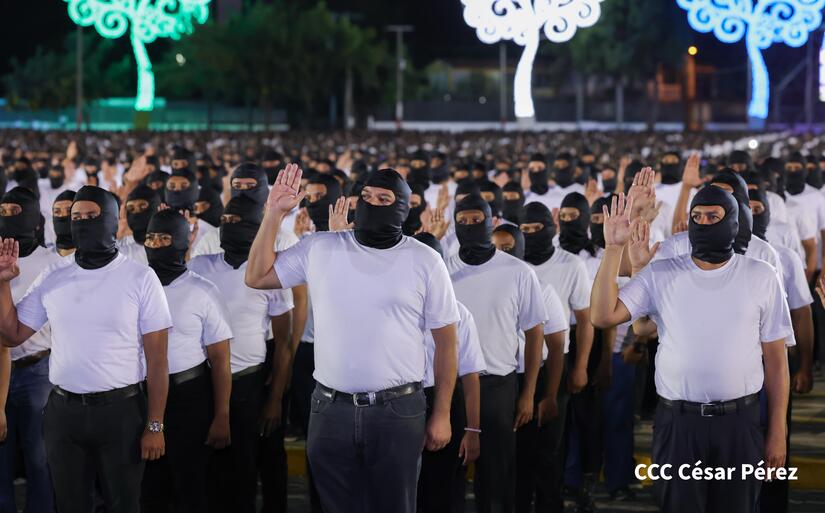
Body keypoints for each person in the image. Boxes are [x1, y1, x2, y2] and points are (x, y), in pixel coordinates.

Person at [244, 165, 459, 513]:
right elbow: (256, 276)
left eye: (384, 199)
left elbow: (447, 344)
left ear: (403, 207)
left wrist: (443, 413)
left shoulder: (425, 260)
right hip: (330, 409)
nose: (371, 204)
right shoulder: (320, 247)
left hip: (397, 411)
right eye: (366, 196)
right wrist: (273, 214)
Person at [591, 188, 792, 513]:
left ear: (733, 221)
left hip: (739, 424)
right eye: (697, 217)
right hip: (678, 424)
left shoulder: (761, 275)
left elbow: (777, 362)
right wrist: (614, 249)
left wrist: (778, 430)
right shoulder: (661, 272)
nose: (704, 223)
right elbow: (602, 316)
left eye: (713, 216)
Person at [0, 185, 171, 513]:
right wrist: (3, 282)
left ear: (112, 220)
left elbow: (158, 360)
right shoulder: (54, 274)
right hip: (64, 413)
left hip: (122, 412)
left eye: (92, 216)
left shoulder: (140, 278)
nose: (82, 223)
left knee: (123, 504)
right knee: (69, 504)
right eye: (76, 217)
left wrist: (155, 425)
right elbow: (12, 334)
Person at [189, 195, 294, 513]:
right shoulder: (200, 266)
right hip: (203, 382)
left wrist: (275, 399)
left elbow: (284, 343)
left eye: (237, 221)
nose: (228, 226)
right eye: (225, 220)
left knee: (244, 468)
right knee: (205, 470)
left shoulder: (271, 273)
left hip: (248, 384)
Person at [446, 193, 548, 513]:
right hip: (450, 387)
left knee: (496, 479)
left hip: (497, 386)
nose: (469, 226)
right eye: (462, 221)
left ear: (491, 222)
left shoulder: (519, 272)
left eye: (476, 220)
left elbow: (535, 335)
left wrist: (528, 393)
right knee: (447, 478)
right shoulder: (443, 269)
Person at [140, 209, 233, 513]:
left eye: (164, 238)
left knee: (189, 485)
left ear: (180, 241)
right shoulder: (136, 286)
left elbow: (220, 360)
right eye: (150, 238)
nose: (155, 245)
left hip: (189, 398)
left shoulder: (202, 290)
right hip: (141, 397)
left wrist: (222, 415)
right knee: (148, 488)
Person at [413, 232, 485, 513]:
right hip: (399, 400)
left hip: (443, 398)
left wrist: (472, 430)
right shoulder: (394, 308)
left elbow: (470, 375)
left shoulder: (458, 313)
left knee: (440, 489)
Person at [0, 187, 61, 513]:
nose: (8, 217)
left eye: (15, 211)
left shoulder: (53, 263)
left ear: (35, 219)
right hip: (0, 368)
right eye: (3, 211)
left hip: (37, 371)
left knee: (40, 459)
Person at [121, 184, 160, 265]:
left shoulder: (173, 244)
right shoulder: (121, 250)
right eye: (131, 208)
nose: (136, 213)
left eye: (142, 207)